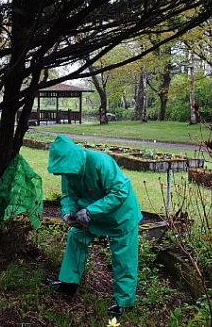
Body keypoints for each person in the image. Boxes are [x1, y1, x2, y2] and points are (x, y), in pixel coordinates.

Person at [45, 135, 142, 316]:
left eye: (67, 171)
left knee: (124, 255)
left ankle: (124, 301)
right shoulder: (68, 171)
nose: (66, 175)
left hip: (121, 214)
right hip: (90, 212)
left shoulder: (101, 162)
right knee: (76, 238)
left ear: (75, 159)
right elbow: (68, 195)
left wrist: (91, 211)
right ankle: (69, 283)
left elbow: (120, 191)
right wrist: (68, 212)